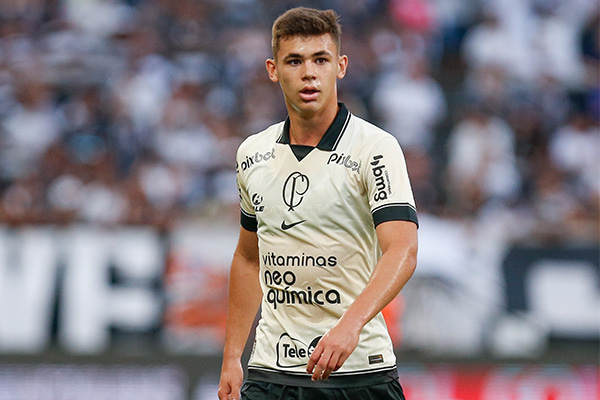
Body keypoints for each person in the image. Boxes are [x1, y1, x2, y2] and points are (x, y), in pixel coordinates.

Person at [218, 7, 418, 400]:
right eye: (294, 61)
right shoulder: (252, 153)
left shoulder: (375, 149)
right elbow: (248, 258)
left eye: (320, 60)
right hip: (271, 373)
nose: (309, 73)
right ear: (273, 70)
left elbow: (403, 249)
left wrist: (350, 325)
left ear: (340, 66)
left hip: (359, 373)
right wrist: (231, 355)